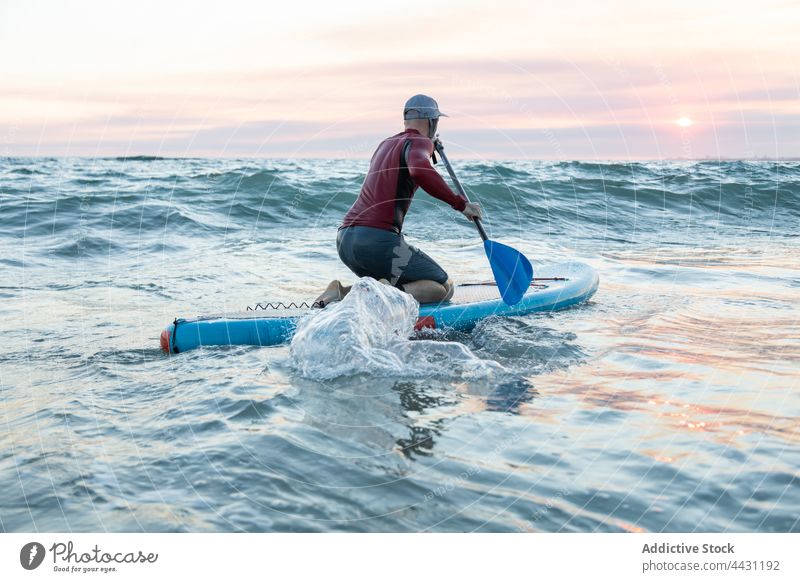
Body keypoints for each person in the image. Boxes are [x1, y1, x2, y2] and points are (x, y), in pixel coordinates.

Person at [314, 94, 482, 307]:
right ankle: (385, 293)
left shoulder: (386, 143)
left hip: (345, 240)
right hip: (376, 241)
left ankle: (341, 292)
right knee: (443, 288)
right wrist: (462, 205)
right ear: (432, 121)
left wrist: (427, 148)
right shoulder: (419, 141)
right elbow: (420, 170)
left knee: (384, 281)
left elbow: (410, 164)